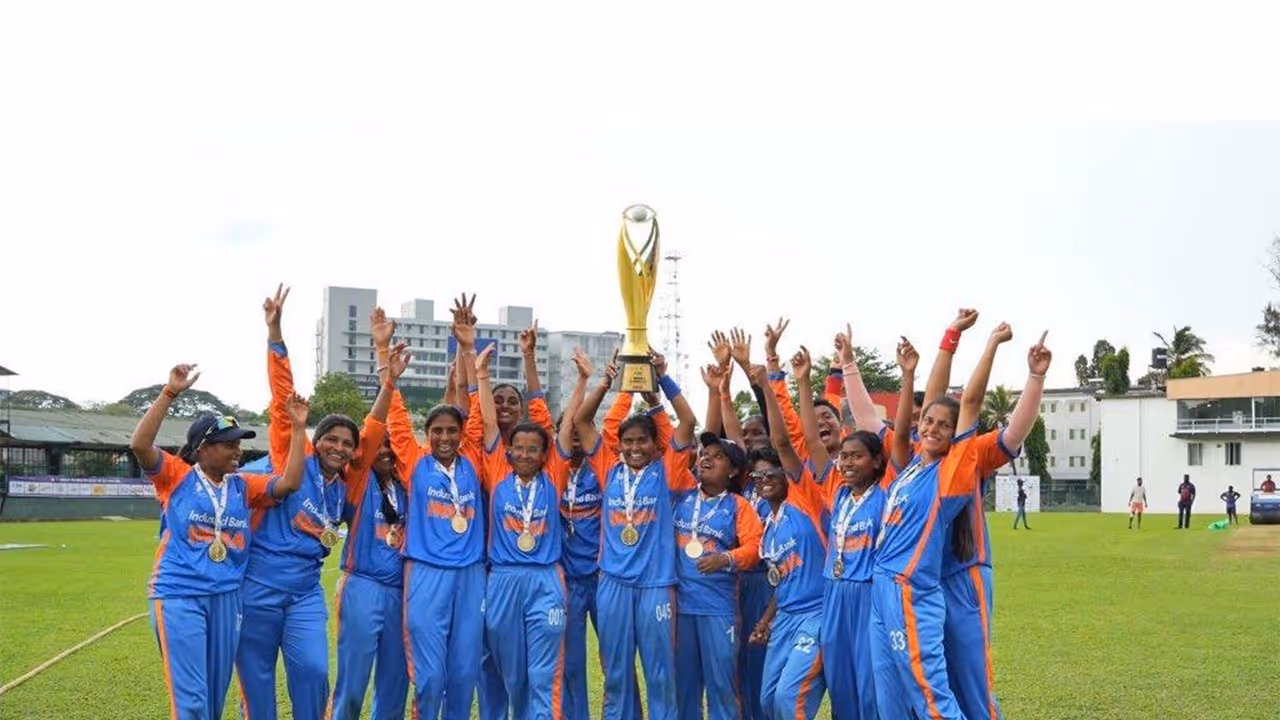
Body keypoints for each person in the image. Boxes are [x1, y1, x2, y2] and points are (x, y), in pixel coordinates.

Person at [870, 331, 1049, 720]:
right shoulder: (916, 462)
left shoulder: (966, 454)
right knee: (922, 681)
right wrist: (945, 343)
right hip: (923, 577)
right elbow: (938, 403)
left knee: (969, 683)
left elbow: (1006, 427)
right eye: (925, 421)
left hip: (961, 576)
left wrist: (1033, 378)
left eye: (942, 424)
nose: (931, 427)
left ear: (956, 430)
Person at [237, 285, 387, 720]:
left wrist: (388, 380)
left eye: (347, 443)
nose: (339, 448)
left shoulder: (347, 484)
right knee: (257, 687)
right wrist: (275, 332)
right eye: (331, 440)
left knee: (314, 672)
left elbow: (374, 430)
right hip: (259, 590)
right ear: (316, 442)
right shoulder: (292, 460)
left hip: (304, 593)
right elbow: (283, 396)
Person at [130, 365, 307, 720]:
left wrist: (300, 429)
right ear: (203, 449)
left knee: (213, 697)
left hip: (227, 597)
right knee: (191, 701)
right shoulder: (175, 477)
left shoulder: (242, 486)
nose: (237, 451)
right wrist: (170, 393)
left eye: (239, 444)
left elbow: (288, 483)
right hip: (180, 595)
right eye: (229, 445)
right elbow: (139, 444)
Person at [573, 347, 697, 720]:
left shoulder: (669, 472)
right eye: (628, 442)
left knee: (660, 674)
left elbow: (688, 422)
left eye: (642, 441)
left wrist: (661, 381)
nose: (634, 447)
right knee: (617, 674)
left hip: (656, 585)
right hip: (612, 584)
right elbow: (582, 421)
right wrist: (608, 382)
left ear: (655, 444)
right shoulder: (609, 469)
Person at [385, 296, 489, 720]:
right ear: (427, 434)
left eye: (451, 430)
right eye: (436, 431)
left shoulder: (476, 461)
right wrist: (386, 369)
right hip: (425, 572)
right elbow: (394, 418)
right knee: (429, 676)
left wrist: (467, 347)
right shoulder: (414, 462)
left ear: (462, 433)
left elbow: (478, 409)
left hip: (470, 575)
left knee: (465, 672)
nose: (444, 437)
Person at [469, 336, 572, 720]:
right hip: (503, 581)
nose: (525, 454)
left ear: (544, 454)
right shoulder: (497, 470)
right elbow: (489, 423)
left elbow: (552, 425)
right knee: (512, 673)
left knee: (543, 674)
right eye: (519, 448)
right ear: (508, 451)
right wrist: (480, 376)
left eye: (534, 449)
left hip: (545, 578)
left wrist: (579, 385)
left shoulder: (554, 475)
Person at [327, 323, 413, 720]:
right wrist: (386, 372)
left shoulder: (407, 486)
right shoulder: (358, 479)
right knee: (353, 681)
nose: (386, 452)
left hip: (401, 592)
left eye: (392, 448)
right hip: (362, 585)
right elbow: (378, 425)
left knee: (395, 682)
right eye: (380, 447)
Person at [749, 363, 831, 720]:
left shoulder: (805, 500)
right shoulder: (767, 524)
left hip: (816, 615)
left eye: (773, 472)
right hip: (784, 617)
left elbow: (783, 441)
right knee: (767, 701)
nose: (766, 478)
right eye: (759, 475)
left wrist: (768, 385)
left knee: (789, 699)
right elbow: (778, 581)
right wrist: (766, 619)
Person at [673, 433, 763, 720]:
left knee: (722, 687)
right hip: (681, 608)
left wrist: (725, 558)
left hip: (718, 609)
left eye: (718, 455)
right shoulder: (682, 493)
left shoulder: (739, 505)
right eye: (704, 453)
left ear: (734, 470)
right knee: (683, 688)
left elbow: (755, 548)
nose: (707, 458)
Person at [817, 429, 892, 720]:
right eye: (843, 456)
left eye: (856, 456)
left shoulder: (886, 495)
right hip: (834, 590)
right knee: (839, 678)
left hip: (867, 592)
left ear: (876, 461)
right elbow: (813, 441)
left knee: (869, 679)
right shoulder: (839, 495)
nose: (847, 462)